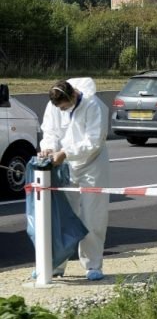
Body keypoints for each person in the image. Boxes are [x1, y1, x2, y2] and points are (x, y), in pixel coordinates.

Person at [38, 77, 110, 281]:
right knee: (62, 216)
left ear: (74, 95)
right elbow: (49, 130)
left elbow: (94, 141)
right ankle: (55, 264)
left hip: (93, 164)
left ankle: (93, 265)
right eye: (59, 108)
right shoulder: (54, 105)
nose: (63, 111)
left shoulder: (94, 105)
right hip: (66, 165)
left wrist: (65, 153)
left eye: (65, 107)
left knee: (92, 216)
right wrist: (49, 149)